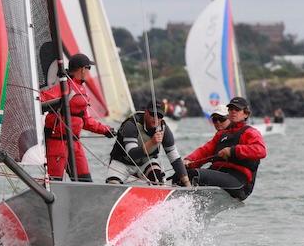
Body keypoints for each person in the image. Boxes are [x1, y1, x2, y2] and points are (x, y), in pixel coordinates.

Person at [40, 53, 115, 182]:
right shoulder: (64, 86)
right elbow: (40, 98)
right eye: (88, 68)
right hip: (57, 143)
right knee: (54, 183)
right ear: (82, 69)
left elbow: (86, 120)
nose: (88, 72)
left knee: (85, 181)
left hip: (75, 144)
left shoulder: (81, 89)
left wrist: (105, 130)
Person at [181, 97, 266, 200]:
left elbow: (261, 150)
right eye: (230, 109)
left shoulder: (250, 132)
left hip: (238, 181)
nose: (233, 111)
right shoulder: (221, 134)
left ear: (246, 114)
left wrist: (232, 151)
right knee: (182, 175)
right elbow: (205, 151)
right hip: (220, 174)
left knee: (194, 175)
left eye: (237, 109)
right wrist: (189, 160)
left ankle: (187, 202)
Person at [106, 100, 191, 186]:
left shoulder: (164, 129)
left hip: (146, 162)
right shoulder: (131, 124)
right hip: (122, 162)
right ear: (146, 112)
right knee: (113, 184)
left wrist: (187, 184)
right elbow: (132, 155)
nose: (156, 118)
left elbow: (175, 158)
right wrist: (152, 142)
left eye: (159, 116)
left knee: (158, 179)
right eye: (153, 114)